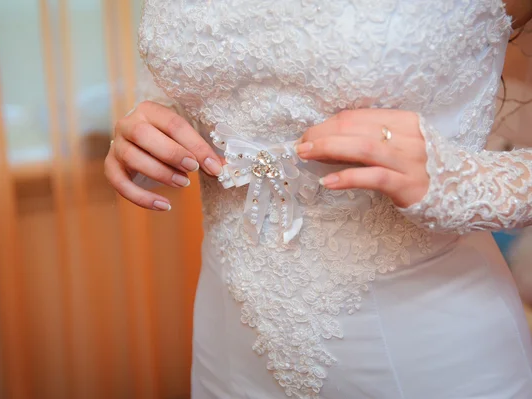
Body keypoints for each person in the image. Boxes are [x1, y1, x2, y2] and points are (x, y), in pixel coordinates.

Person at [105, 1, 532, 398]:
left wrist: (461, 180)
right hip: (228, 345)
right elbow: (201, 93)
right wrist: (153, 136)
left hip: (426, 348)